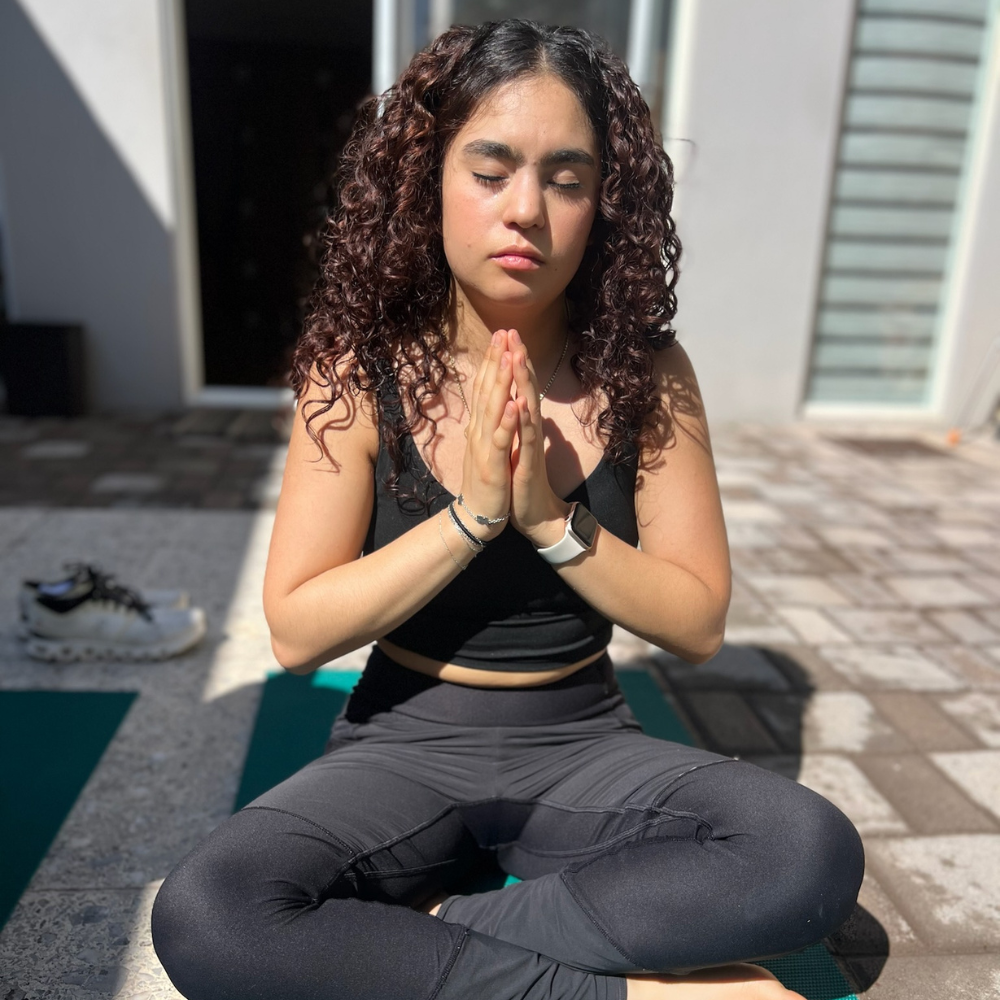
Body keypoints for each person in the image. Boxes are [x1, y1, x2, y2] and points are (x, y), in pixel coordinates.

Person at [150, 19, 863, 1000]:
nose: (526, 208)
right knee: (208, 911)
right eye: (490, 170)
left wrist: (544, 518)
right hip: (399, 739)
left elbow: (694, 621)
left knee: (804, 849)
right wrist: (469, 515)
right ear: (428, 182)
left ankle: (422, 941)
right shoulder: (355, 372)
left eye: (565, 178)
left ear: (602, 204)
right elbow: (295, 631)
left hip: (582, 740)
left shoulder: (649, 373)